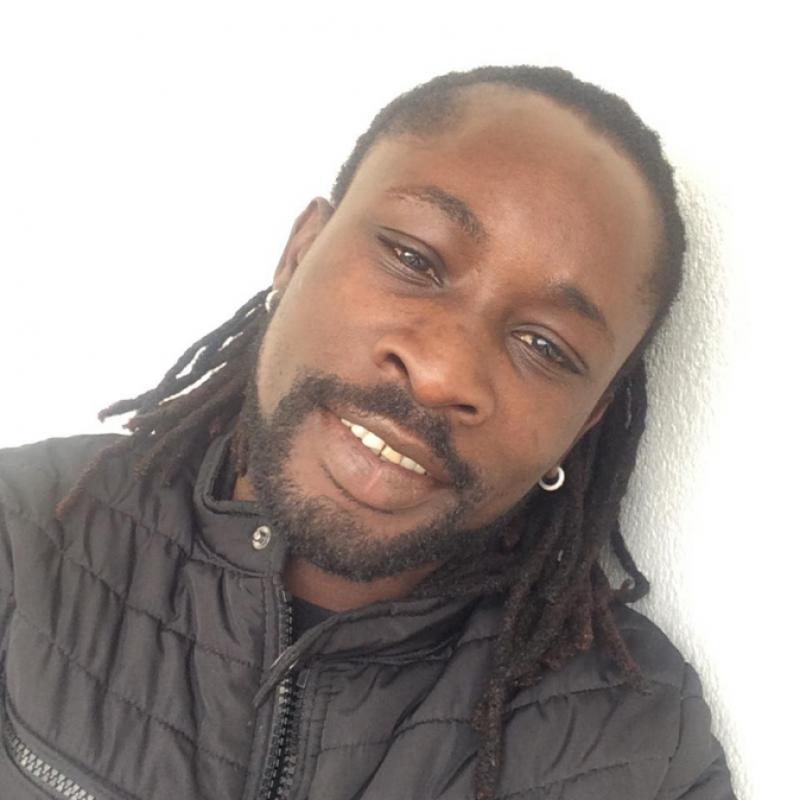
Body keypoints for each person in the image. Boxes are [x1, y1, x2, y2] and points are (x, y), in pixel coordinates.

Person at [0, 65, 735, 800]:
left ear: (587, 419)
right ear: (299, 253)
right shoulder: (22, 534)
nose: (442, 373)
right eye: (414, 259)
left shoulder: (639, 744)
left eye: (545, 346)